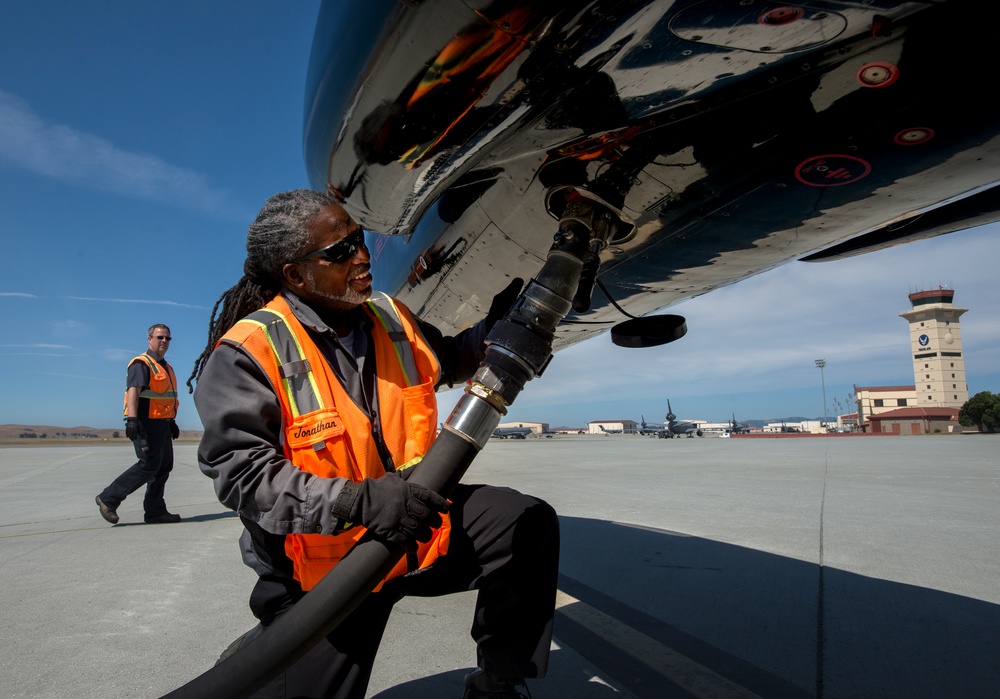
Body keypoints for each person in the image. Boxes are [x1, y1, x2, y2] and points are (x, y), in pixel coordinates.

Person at [187, 189, 559, 699]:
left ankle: (498, 682)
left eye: (359, 240)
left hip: (419, 532)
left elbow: (448, 358)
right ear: (295, 275)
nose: (362, 257)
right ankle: (267, 651)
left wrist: (503, 329)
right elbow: (243, 474)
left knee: (525, 523)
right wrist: (354, 502)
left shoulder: (388, 315)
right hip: (326, 573)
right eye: (339, 252)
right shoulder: (248, 351)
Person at [96, 324, 182, 525]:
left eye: (167, 338)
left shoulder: (165, 367)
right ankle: (108, 498)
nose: (164, 341)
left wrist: (171, 421)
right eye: (160, 337)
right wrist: (132, 420)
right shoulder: (142, 364)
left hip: (161, 424)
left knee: (163, 467)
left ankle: (155, 511)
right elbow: (134, 391)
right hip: (145, 423)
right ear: (150, 339)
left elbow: (163, 398)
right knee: (148, 465)